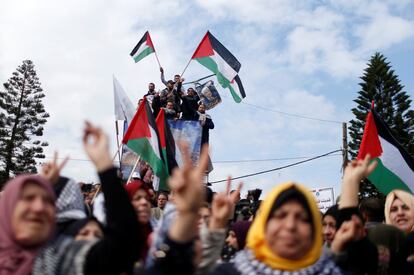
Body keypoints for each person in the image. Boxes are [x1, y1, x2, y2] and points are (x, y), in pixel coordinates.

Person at [0, 174, 56, 275]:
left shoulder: (67, 261)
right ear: (7, 207)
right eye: (29, 198)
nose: (39, 208)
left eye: (48, 201)